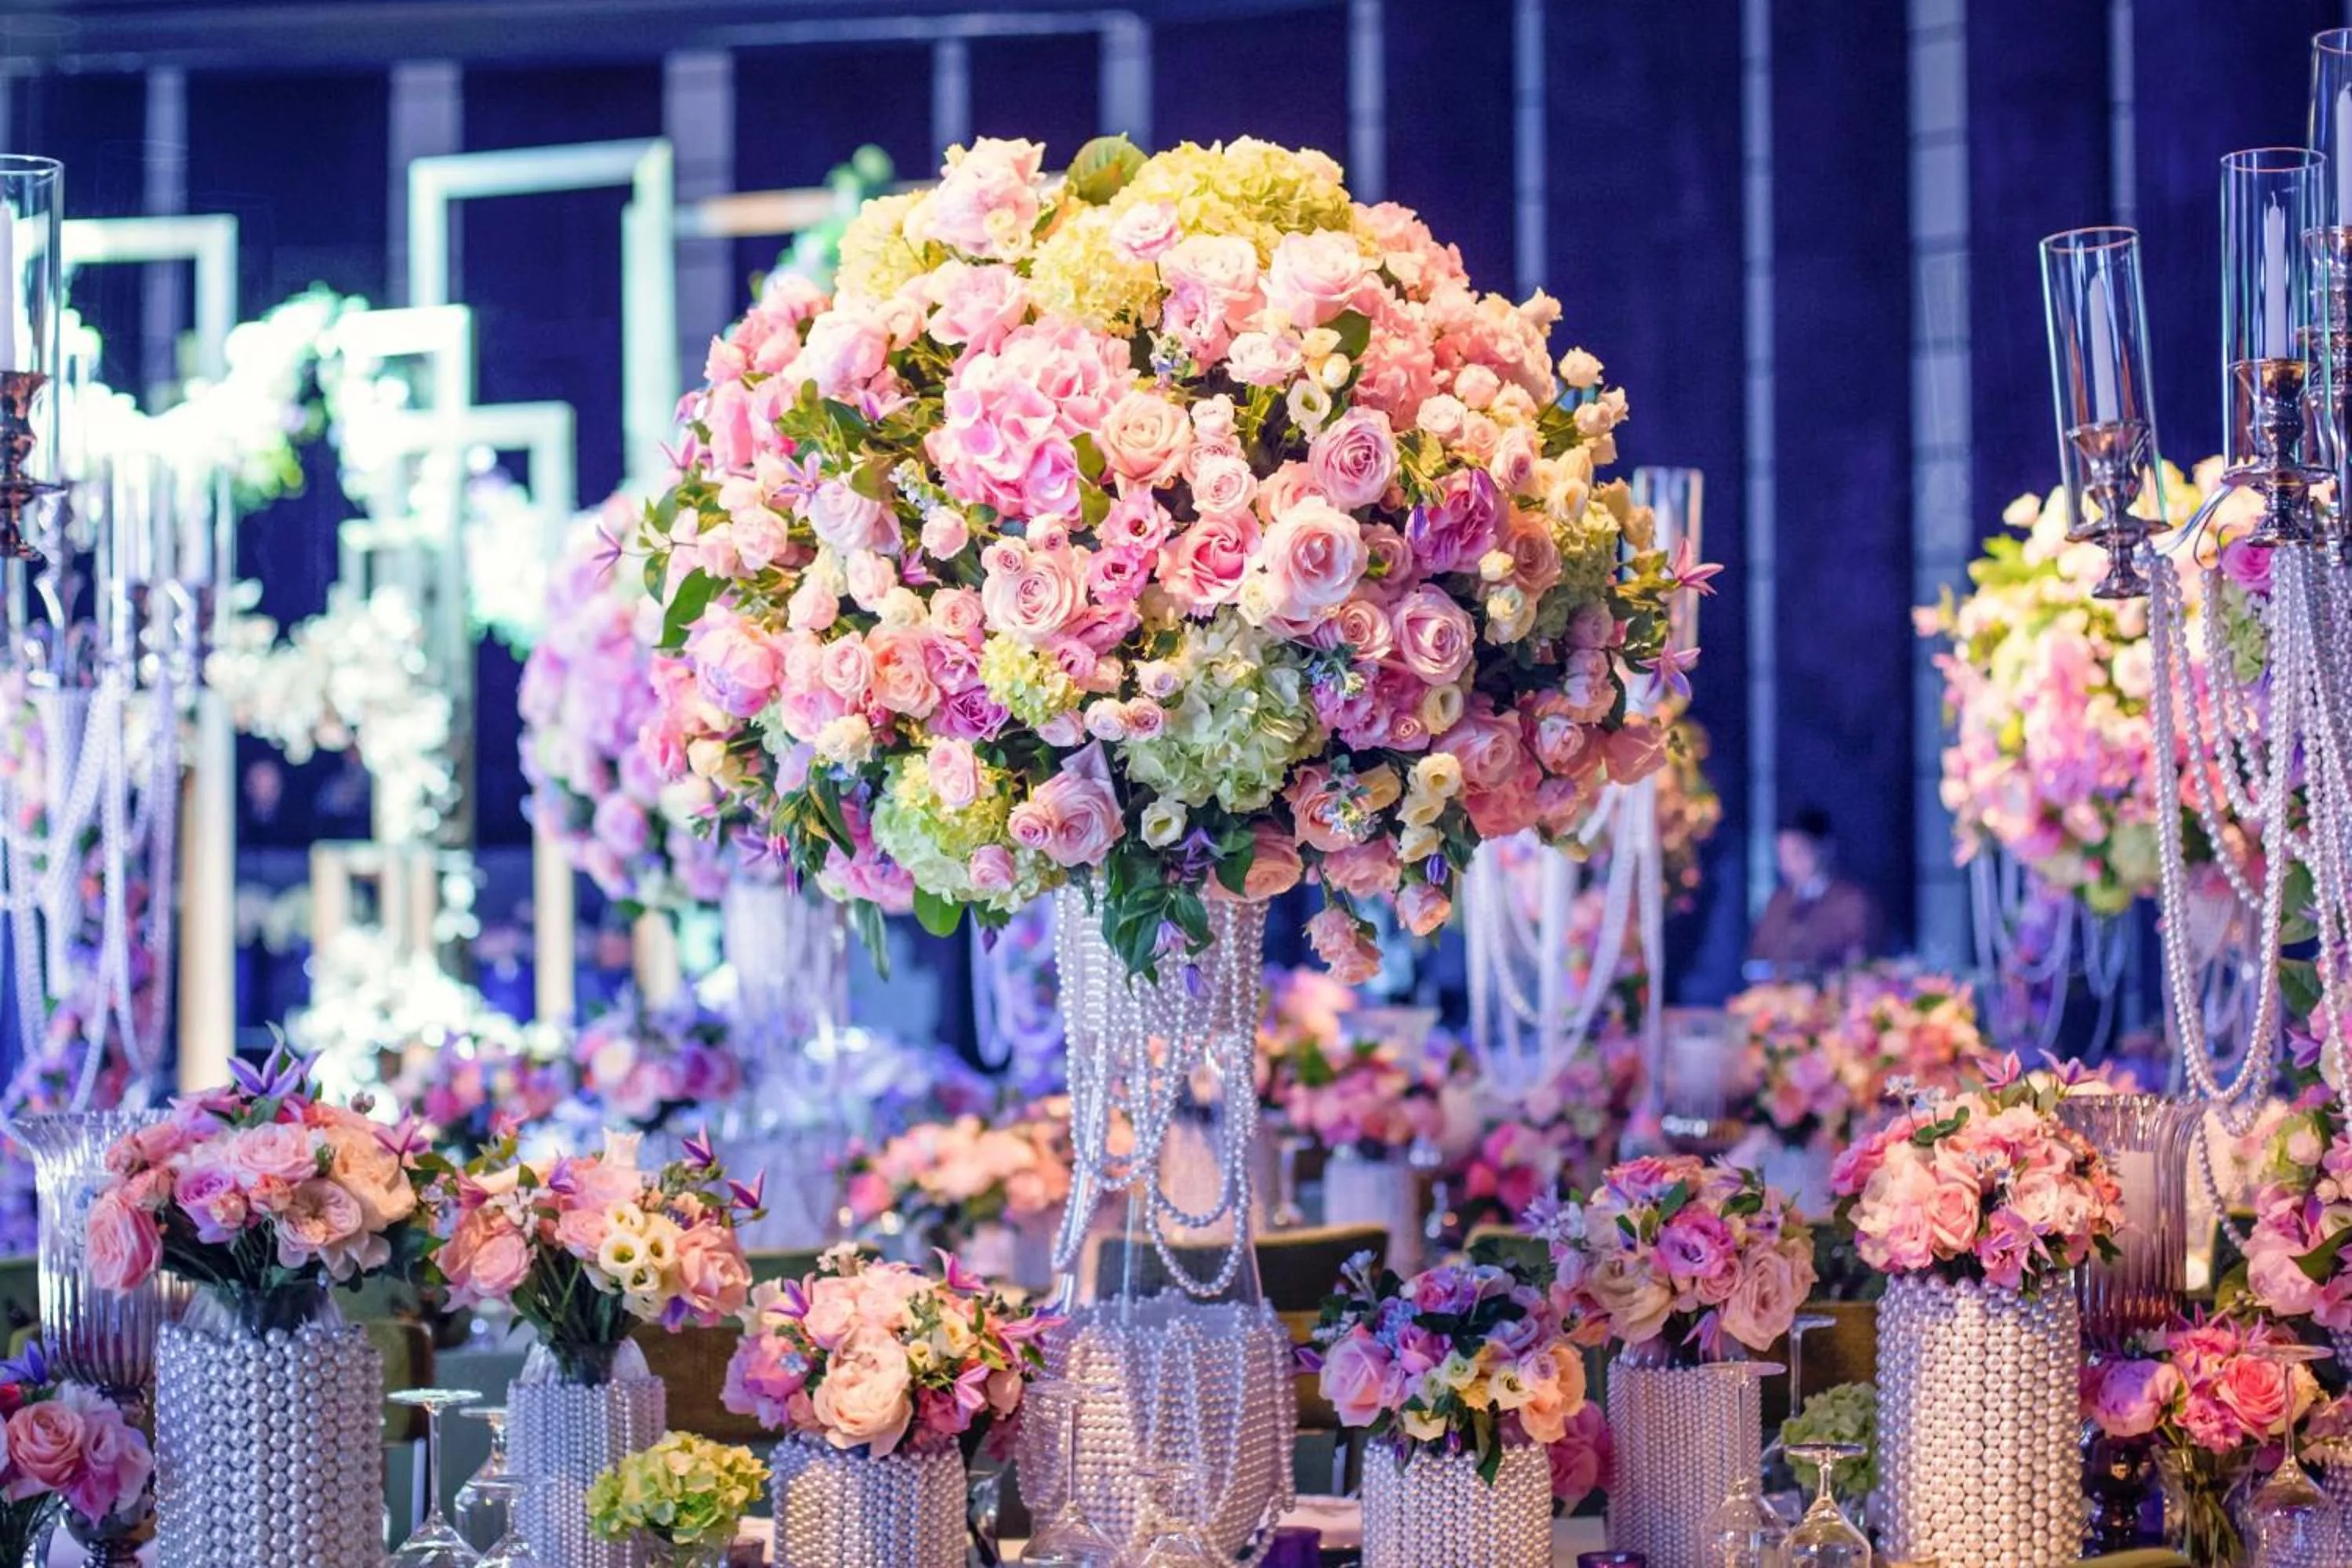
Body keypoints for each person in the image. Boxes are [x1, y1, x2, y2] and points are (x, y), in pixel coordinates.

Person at [1744, 808, 1880, 979]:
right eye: (1782, 856)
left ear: (1824, 848)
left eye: (1797, 853)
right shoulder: (1778, 902)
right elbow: (1758, 956)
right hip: (1775, 998)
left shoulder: (1850, 902)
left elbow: (1859, 961)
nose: (1788, 865)